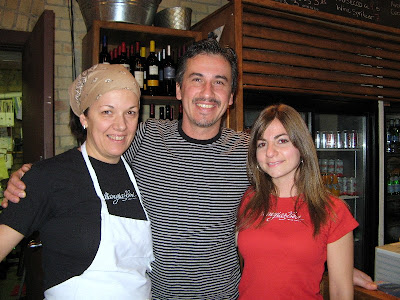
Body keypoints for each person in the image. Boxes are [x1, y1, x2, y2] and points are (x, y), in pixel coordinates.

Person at [2, 39, 377, 298]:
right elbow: (93, 156)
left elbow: (293, 202)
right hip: (155, 295)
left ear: (230, 99)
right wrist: (31, 176)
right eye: (196, 79)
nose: (207, 92)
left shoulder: (250, 152)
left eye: (219, 83)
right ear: (178, 90)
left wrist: (328, 266)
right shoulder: (140, 137)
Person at [0, 64, 154, 299]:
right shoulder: (48, 176)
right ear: (84, 117)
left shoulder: (138, 175)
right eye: (107, 112)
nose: (121, 125)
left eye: (130, 112)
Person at [237, 104, 357, 299]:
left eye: (282, 141)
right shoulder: (249, 201)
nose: (269, 152)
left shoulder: (332, 210)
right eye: (262, 144)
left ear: (301, 146)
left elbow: (340, 291)